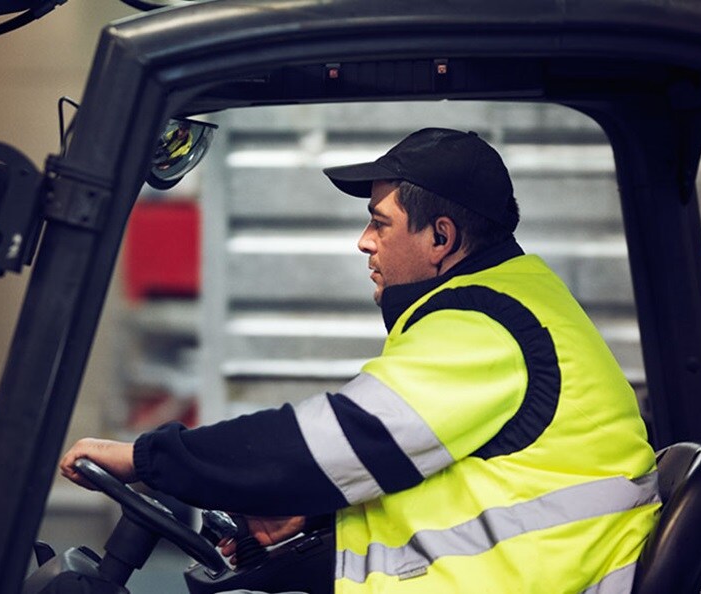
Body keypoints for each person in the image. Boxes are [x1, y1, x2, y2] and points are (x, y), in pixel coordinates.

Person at [60, 128, 660, 593]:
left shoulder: (487, 326)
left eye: (380, 223)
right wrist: (313, 515)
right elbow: (438, 476)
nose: (364, 242)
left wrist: (147, 459)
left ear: (441, 238)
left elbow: (331, 442)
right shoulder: (502, 305)